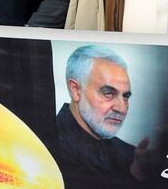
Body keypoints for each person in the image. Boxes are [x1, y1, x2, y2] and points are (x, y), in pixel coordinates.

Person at [56, 45, 147, 188]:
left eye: (125, 96)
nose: (121, 108)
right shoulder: (49, 149)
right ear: (76, 90)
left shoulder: (131, 155)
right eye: (108, 93)